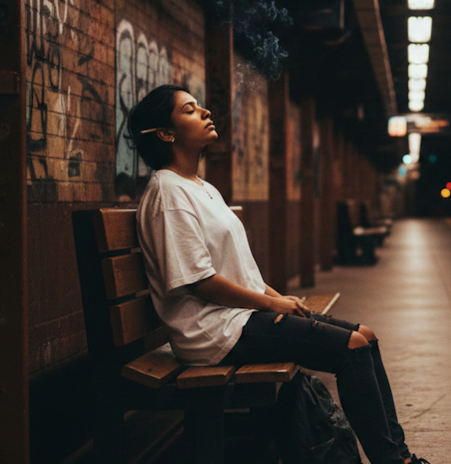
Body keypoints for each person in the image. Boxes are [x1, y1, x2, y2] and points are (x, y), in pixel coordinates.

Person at [130, 84, 429, 464]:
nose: (205, 112)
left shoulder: (201, 187)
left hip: (240, 319)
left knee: (365, 338)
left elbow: (237, 270)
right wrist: (273, 303)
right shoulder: (168, 193)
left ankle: (399, 457)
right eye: (190, 110)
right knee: (350, 349)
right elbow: (199, 280)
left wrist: (278, 300)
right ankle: (393, 462)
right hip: (214, 332)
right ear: (166, 133)